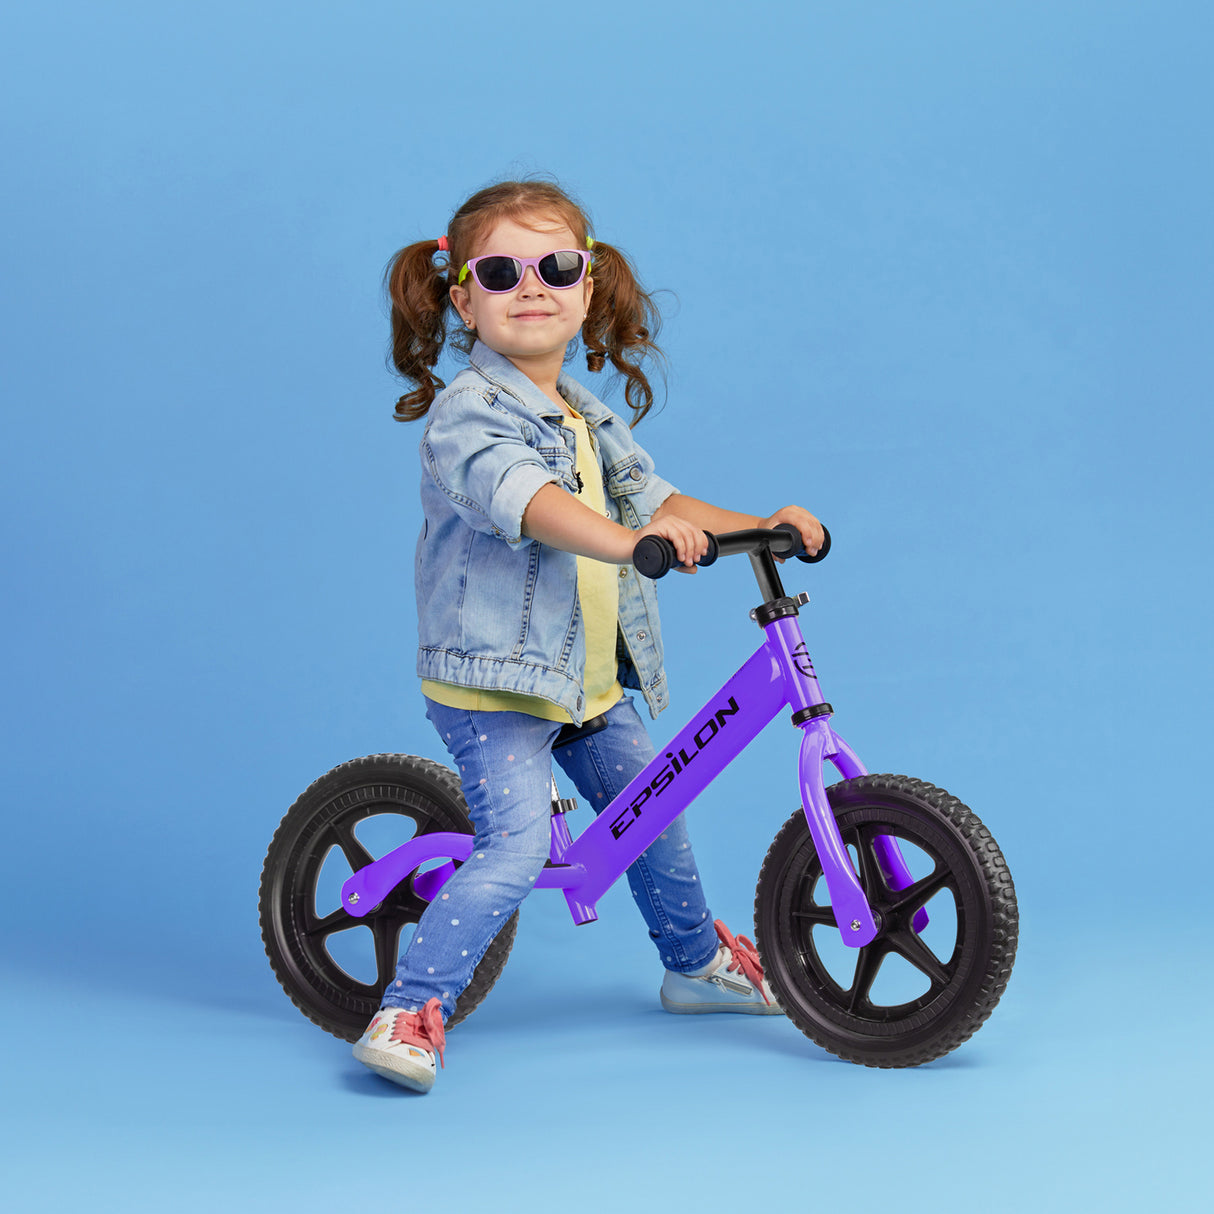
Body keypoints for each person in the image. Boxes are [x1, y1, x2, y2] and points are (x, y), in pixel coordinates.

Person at [352, 180, 824, 1092]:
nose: (532, 287)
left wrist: (758, 523)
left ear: (588, 282)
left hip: (585, 683)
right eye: (501, 271)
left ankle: (692, 966)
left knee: (655, 811)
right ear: (463, 299)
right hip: (496, 689)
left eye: (556, 266)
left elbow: (661, 502)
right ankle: (408, 1007)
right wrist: (629, 542)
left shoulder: (586, 411)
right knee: (517, 846)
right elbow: (530, 504)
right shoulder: (468, 416)